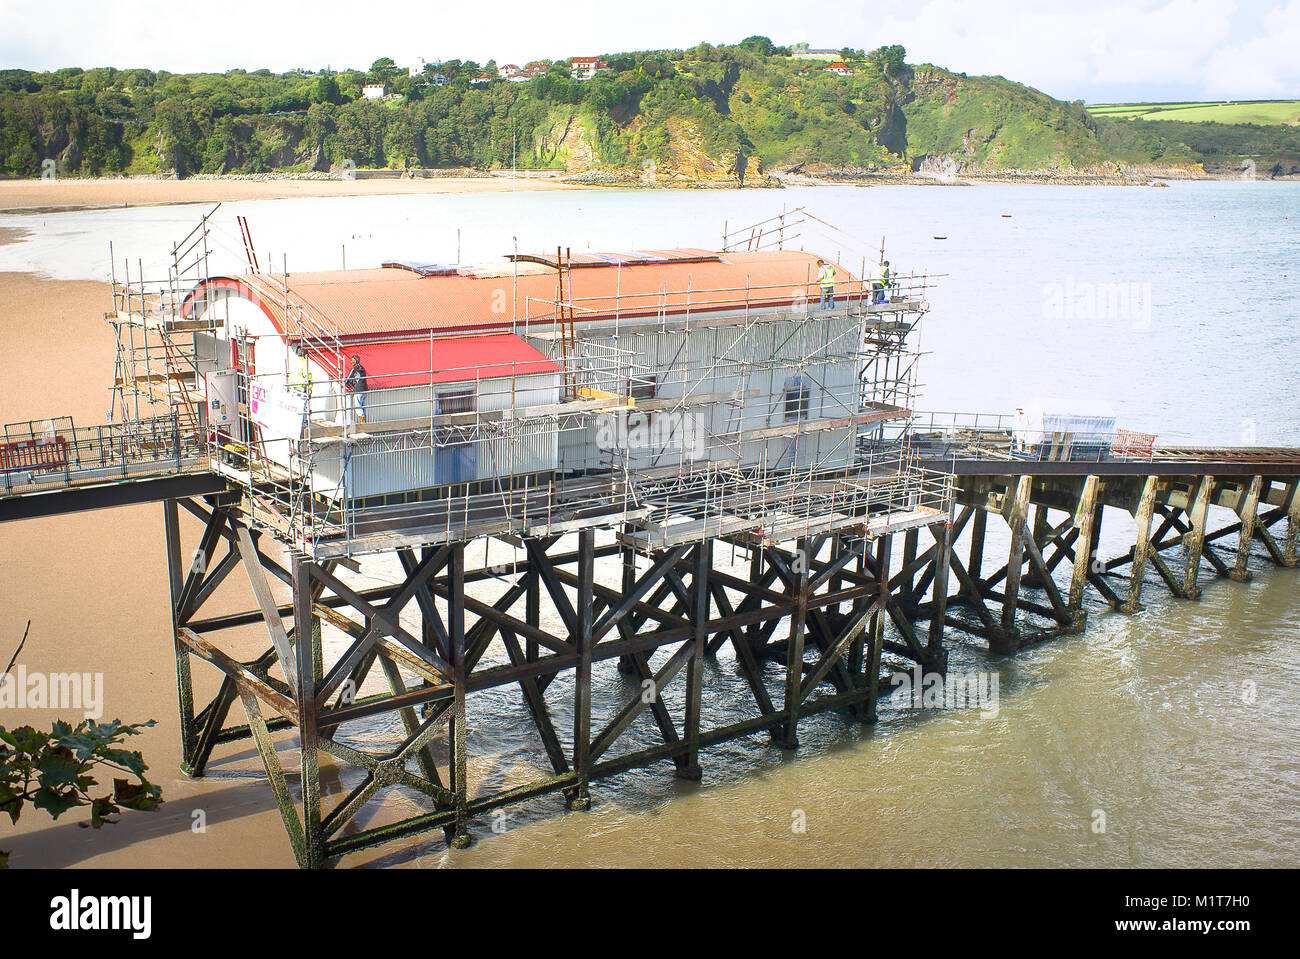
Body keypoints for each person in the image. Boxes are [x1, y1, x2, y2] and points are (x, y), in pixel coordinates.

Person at [344, 354, 368, 425]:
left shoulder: (355, 369)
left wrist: (344, 383)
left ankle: (362, 423)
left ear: (355, 361)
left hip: (358, 390)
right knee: (362, 406)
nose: (351, 362)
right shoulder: (362, 368)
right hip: (364, 389)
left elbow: (348, 379)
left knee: (358, 406)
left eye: (352, 361)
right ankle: (364, 422)